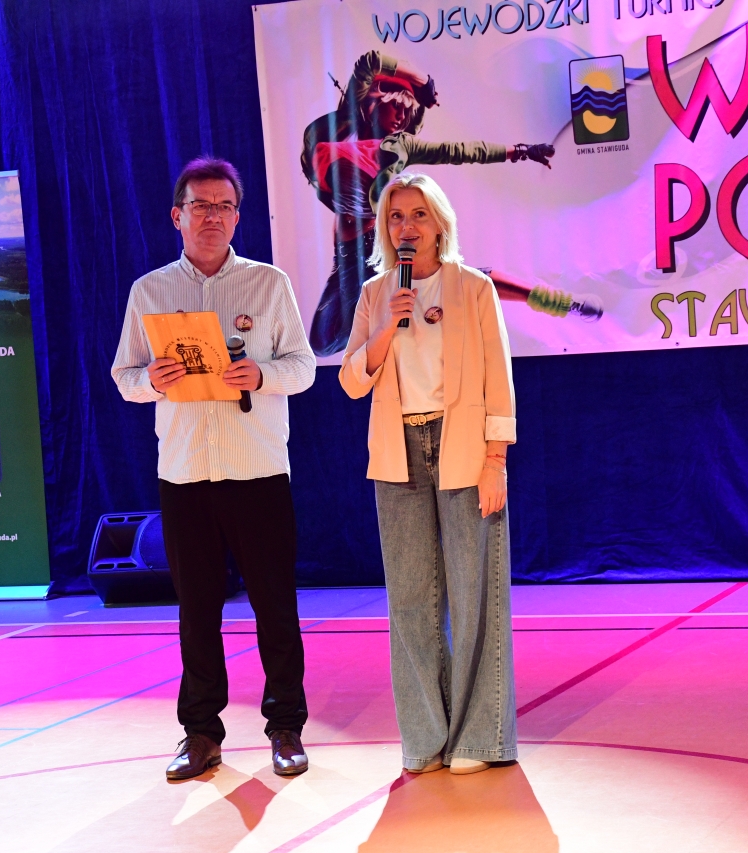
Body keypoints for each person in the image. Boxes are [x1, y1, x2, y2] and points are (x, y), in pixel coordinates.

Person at [111, 157, 317, 781]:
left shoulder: (268, 284)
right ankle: (200, 733)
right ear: (177, 216)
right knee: (197, 611)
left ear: (237, 216)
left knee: (274, 606)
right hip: (185, 473)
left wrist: (261, 373)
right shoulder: (149, 292)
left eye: (224, 206)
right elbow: (123, 377)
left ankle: (285, 727)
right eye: (200, 206)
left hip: (257, 469)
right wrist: (153, 380)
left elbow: (304, 367)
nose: (212, 217)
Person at [338, 172, 518, 775]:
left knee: (474, 594)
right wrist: (385, 328)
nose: (407, 226)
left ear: (440, 224)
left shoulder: (474, 288)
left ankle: (479, 738)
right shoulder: (376, 294)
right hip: (399, 451)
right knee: (411, 600)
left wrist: (495, 461)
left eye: (418, 215)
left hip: (462, 446)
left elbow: (499, 381)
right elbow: (351, 381)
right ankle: (425, 736)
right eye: (396, 217)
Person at [301, 50, 557, 355]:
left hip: (374, 247)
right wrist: (423, 83)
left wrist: (521, 151)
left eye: (406, 111)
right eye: (395, 106)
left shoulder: (401, 147)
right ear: (374, 102)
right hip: (346, 257)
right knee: (323, 343)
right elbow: (368, 63)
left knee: (443, 282)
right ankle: (413, 295)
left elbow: (460, 151)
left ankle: (540, 297)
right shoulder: (347, 121)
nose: (401, 116)